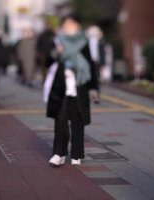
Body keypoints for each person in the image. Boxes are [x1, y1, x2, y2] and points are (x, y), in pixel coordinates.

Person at [47, 14, 100, 167]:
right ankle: (59, 153)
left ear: (78, 26)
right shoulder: (58, 41)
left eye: (72, 24)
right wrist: (56, 53)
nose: (69, 26)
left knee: (78, 121)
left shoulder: (84, 43)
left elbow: (90, 65)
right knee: (61, 120)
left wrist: (94, 88)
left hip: (80, 86)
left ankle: (77, 154)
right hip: (62, 86)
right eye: (66, 24)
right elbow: (47, 61)